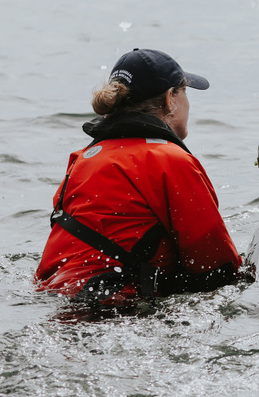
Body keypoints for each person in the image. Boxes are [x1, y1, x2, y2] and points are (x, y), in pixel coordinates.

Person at [36, 48, 245, 303]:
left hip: (53, 299)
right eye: (186, 93)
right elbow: (216, 267)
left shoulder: (83, 159)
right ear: (170, 99)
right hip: (118, 308)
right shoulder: (170, 160)